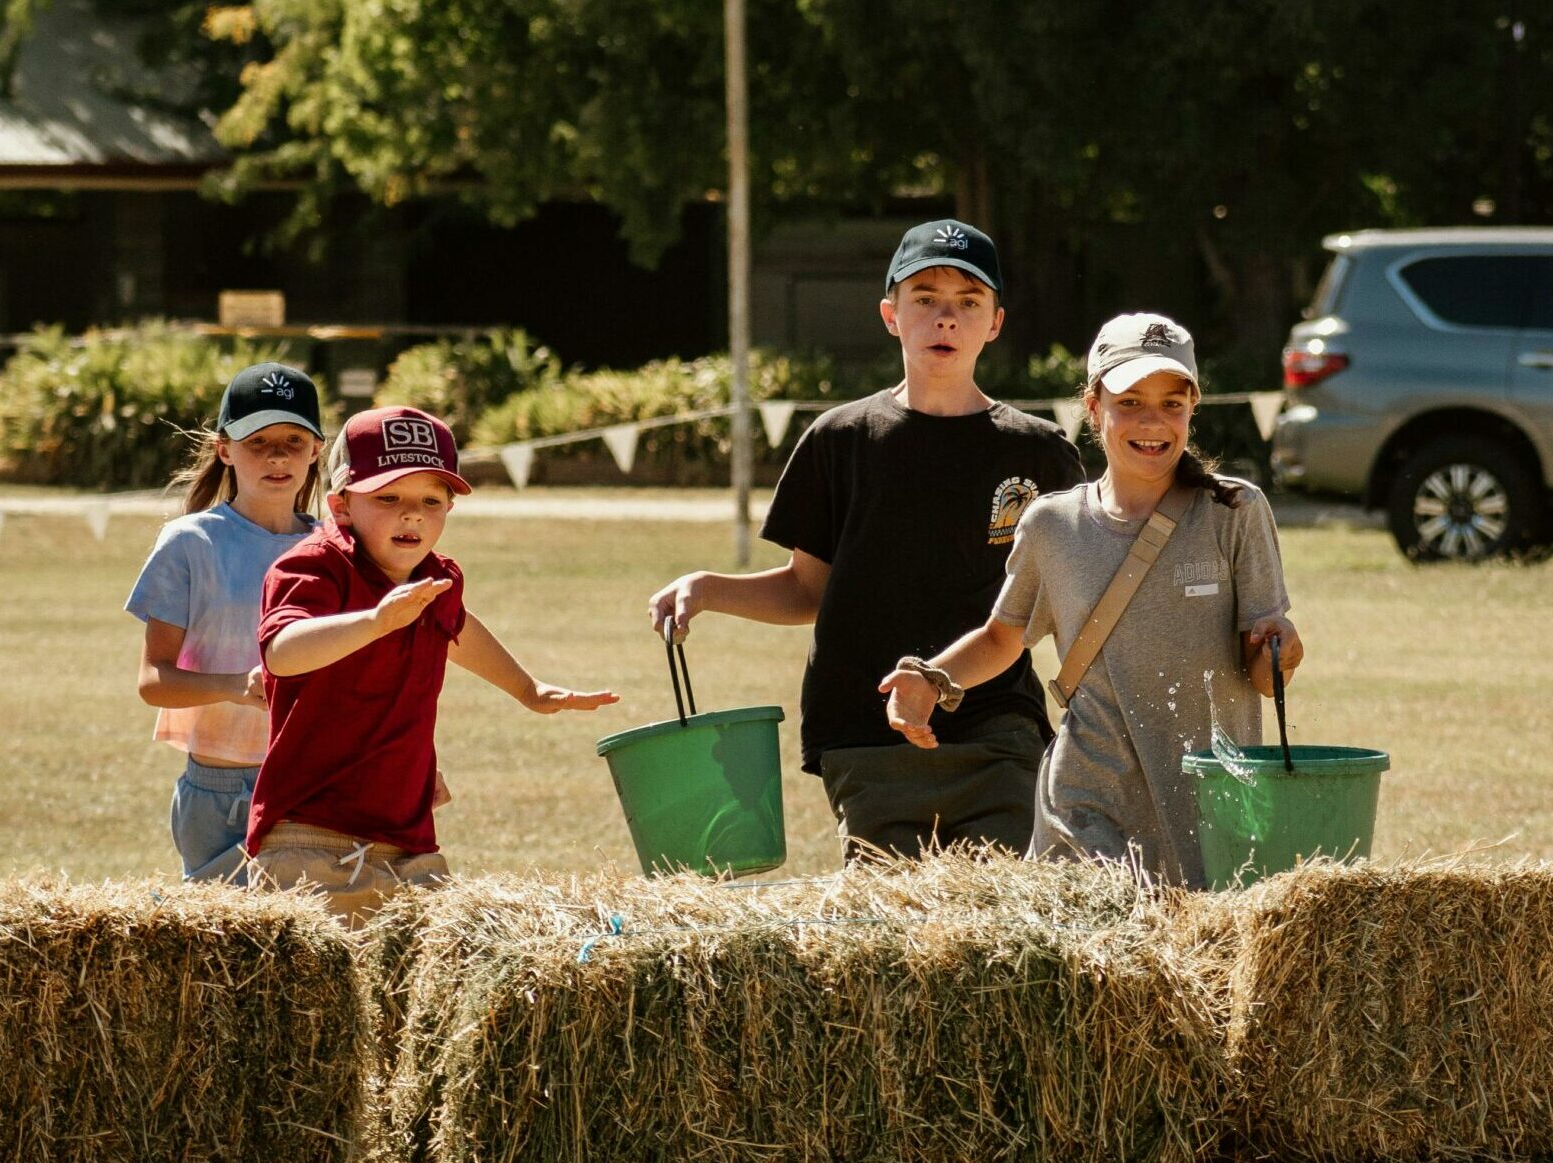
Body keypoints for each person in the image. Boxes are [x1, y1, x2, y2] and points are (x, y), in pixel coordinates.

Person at [648, 219, 1083, 860]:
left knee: (1004, 927)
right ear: (890, 314)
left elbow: (1059, 603)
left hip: (998, 734)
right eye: (925, 299)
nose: (946, 319)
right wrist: (708, 588)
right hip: (864, 735)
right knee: (893, 937)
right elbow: (808, 590)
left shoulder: (1040, 453)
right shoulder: (840, 440)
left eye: (968, 303)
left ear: (995, 322)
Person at [880, 313, 1304, 887]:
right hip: (1086, 803)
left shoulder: (1234, 512)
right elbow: (1003, 637)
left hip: (1209, 802)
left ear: (1192, 410)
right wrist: (931, 678)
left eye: (1172, 404)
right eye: (1129, 402)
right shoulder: (1051, 525)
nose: (1153, 423)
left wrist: (1282, 653)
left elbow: (1260, 672)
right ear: (1093, 406)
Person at [244, 405, 617, 924]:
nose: (412, 514)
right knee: (315, 1001)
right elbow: (283, 652)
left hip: (408, 839)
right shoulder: (312, 566)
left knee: (412, 997)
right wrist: (376, 621)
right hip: (311, 836)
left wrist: (529, 691)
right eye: (388, 497)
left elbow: (457, 629)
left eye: (431, 500)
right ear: (341, 505)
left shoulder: (436, 577)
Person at [126, 362, 326, 881]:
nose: (277, 455)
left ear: (317, 450)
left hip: (321, 781)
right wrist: (236, 686)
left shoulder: (337, 550)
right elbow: (153, 682)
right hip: (223, 791)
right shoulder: (190, 543)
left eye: (292, 439)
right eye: (256, 441)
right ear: (224, 449)